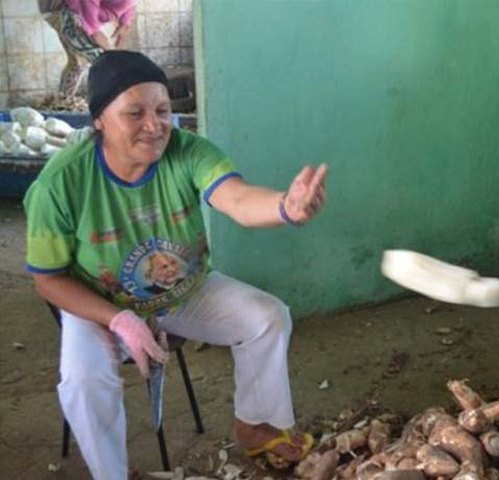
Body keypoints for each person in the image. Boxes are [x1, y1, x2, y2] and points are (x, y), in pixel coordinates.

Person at [24, 50, 327, 480]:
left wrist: (285, 207)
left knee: (267, 317)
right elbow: (48, 280)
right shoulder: (60, 184)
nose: (155, 125)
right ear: (98, 121)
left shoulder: (187, 151)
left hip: (184, 291)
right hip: (99, 303)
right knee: (83, 379)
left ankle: (256, 427)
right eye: (135, 113)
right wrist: (118, 319)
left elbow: (236, 199)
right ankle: (111, 474)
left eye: (163, 110)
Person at [38, 0, 137, 97]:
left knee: (79, 63)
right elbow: (93, 30)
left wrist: (125, 22)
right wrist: (108, 49)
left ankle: (63, 102)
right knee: (104, 61)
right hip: (61, 9)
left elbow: (130, 3)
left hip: (76, 10)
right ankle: (118, 103)